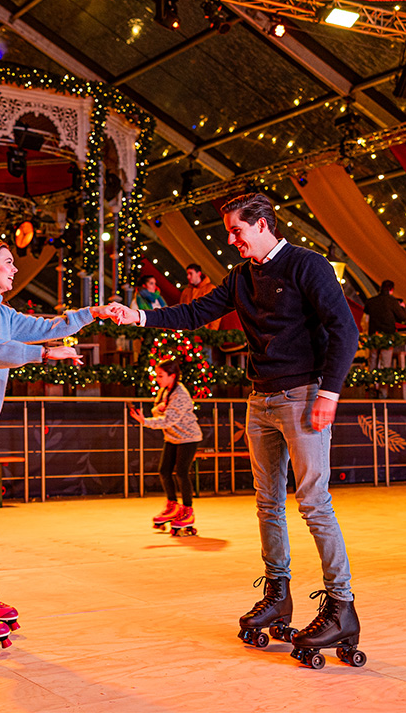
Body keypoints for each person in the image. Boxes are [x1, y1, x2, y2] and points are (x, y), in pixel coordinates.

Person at [106, 192, 363, 666]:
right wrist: (139, 315)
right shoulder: (242, 278)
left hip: (304, 396)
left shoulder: (309, 266)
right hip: (260, 399)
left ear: (262, 224)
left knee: (313, 502)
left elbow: (345, 330)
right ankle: (278, 593)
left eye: (236, 231)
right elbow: (193, 313)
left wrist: (329, 393)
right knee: (268, 502)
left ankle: (341, 607)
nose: (230, 239)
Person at [0, 239, 120, 650]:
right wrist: (45, 356)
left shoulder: (1, 311)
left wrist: (92, 314)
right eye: (8, 263)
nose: (14, 270)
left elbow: (47, 326)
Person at [131, 358, 204, 536]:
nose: (157, 379)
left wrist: (145, 421)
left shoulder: (180, 394)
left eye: (161, 376)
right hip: (172, 437)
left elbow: (168, 420)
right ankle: (172, 505)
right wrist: (160, 408)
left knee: (181, 472)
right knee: (164, 471)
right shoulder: (165, 391)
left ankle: (188, 510)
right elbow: (157, 409)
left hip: (188, 438)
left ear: (172, 376)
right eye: (157, 375)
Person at [363, 280, 406, 370]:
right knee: (386, 362)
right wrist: (402, 307)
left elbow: (366, 314)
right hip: (388, 335)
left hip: (373, 335)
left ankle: (372, 382)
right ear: (391, 290)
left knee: (372, 360)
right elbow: (402, 317)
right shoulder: (392, 301)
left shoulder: (371, 301)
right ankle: (383, 382)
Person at [179, 263, 221, 330]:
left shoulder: (210, 289)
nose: (188, 277)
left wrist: (212, 332)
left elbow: (216, 312)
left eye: (191, 273)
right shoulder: (186, 292)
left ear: (198, 273)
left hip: (203, 331)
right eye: (187, 274)